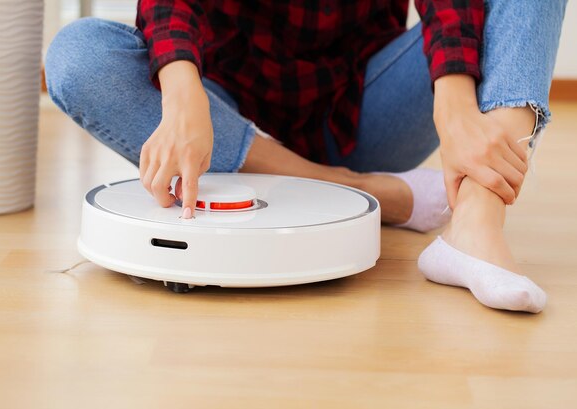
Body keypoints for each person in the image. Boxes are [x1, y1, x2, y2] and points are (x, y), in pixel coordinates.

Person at [45, 0, 567, 313]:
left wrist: (454, 104)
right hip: (227, 121)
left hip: (362, 110)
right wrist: (181, 93)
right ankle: (362, 190)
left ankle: (476, 224)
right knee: (79, 55)